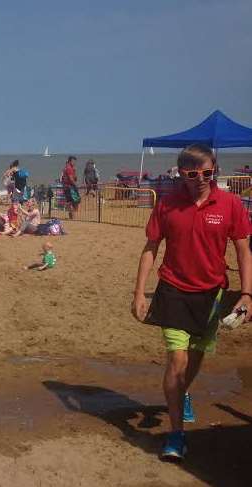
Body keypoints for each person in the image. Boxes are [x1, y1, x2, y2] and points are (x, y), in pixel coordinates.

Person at [131, 144, 252, 462]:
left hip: (211, 294)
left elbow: (243, 250)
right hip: (172, 290)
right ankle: (176, 434)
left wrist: (247, 294)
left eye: (208, 173)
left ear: (215, 171)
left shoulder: (230, 204)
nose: (201, 179)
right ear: (181, 173)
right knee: (177, 360)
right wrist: (139, 293)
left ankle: (183, 393)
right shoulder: (168, 205)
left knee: (196, 356)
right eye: (193, 174)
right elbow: (150, 248)